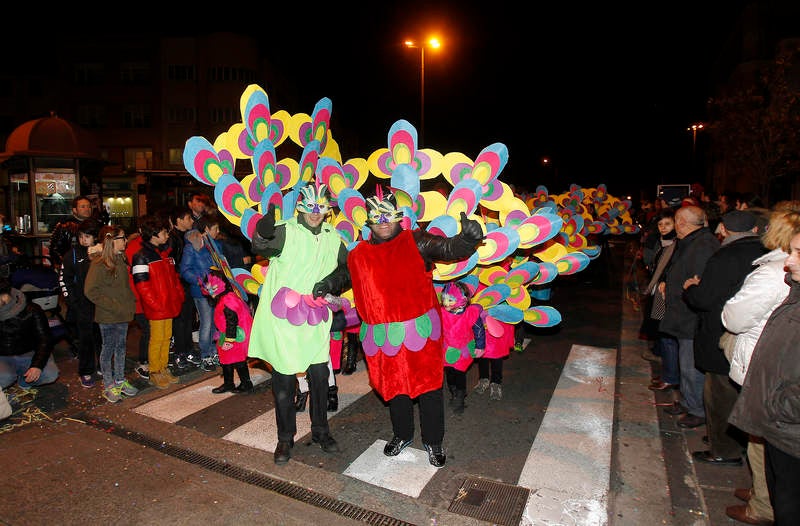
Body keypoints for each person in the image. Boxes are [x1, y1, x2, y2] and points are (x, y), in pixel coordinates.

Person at [346, 186, 483, 467]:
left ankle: (433, 441)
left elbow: (447, 249)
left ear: (399, 217)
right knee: (396, 388)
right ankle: (402, 435)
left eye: (388, 215)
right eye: (377, 216)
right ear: (368, 220)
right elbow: (341, 277)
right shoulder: (358, 254)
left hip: (419, 333)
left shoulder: (416, 240)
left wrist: (467, 240)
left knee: (429, 388)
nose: (383, 222)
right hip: (384, 337)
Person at [249, 181, 350, 465]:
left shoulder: (333, 237)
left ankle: (320, 431)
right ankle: (285, 439)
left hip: (315, 318)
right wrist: (263, 230)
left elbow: (347, 270)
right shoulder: (287, 231)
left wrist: (332, 282)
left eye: (321, 207)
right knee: (283, 382)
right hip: (284, 320)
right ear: (301, 207)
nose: (315, 212)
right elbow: (263, 245)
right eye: (310, 206)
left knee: (319, 378)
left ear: (328, 209)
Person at [721, 204, 800, 525]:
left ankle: (762, 504)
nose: (791, 261)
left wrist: (781, 405)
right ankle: (761, 493)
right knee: (764, 456)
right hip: (774, 391)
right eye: (793, 250)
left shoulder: (772, 273)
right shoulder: (791, 283)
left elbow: (736, 317)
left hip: (782, 407)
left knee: (785, 488)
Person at [682, 210, 767, 467]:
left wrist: (692, 288)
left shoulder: (725, 256)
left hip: (723, 332)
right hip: (755, 336)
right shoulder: (765, 253)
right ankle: (734, 441)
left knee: (719, 394)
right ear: (754, 230)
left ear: (724, 230)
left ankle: (723, 448)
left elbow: (705, 298)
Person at [658, 205, 719, 429]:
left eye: (675, 221)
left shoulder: (703, 245)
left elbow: (698, 281)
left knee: (690, 364)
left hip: (690, 316)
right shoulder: (694, 241)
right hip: (683, 313)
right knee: (685, 363)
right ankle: (686, 401)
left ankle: (697, 410)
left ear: (682, 222)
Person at [84, 225, 138, 403]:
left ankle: (120, 380)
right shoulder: (99, 263)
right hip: (108, 315)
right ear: (111, 241)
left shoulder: (120, 259)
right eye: (122, 238)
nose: (125, 241)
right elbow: (90, 291)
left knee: (121, 347)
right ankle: (108, 384)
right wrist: (113, 305)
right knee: (108, 349)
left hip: (122, 313)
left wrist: (129, 302)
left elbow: (124, 287)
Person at [132, 215, 185, 390]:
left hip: (168, 304)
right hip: (157, 306)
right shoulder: (141, 256)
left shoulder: (163, 254)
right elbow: (142, 285)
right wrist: (154, 303)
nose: (167, 235)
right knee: (157, 339)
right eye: (163, 232)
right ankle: (155, 371)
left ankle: (163, 367)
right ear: (154, 235)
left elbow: (174, 278)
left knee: (166, 338)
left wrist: (178, 295)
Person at [59, 218, 102, 388]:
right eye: (82, 236)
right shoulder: (72, 255)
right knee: (86, 340)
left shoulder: (99, 253)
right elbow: (64, 280)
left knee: (102, 338)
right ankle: (85, 371)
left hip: (100, 304)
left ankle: (102, 366)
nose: (84, 240)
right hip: (82, 305)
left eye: (88, 236)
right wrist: (73, 303)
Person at [642, 209, 679, 390]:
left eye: (668, 224)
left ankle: (671, 376)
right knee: (660, 328)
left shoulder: (678, 244)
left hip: (667, 292)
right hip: (658, 290)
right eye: (660, 224)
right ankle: (668, 371)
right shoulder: (660, 242)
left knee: (667, 333)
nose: (664, 228)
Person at [180, 214, 223, 372]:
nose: (218, 231)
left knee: (215, 322)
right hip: (201, 291)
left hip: (216, 290)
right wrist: (202, 281)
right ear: (206, 229)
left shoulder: (214, 245)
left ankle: (213, 351)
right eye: (215, 228)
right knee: (206, 323)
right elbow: (184, 270)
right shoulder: (192, 246)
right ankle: (205, 354)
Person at [199, 269, 253, 394]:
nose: (209, 292)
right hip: (229, 333)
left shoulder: (228, 299)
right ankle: (229, 383)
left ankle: (246, 384)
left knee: (238, 360)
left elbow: (232, 321)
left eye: (211, 288)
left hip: (236, 334)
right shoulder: (224, 297)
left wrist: (229, 339)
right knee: (226, 358)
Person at [0, 277, 59, 390]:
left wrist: (37, 365)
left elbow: (45, 339)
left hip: (28, 353)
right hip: (3, 356)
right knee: (4, 377)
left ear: (4, 296)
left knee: (50, 374)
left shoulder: (32, 309)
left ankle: (24, 382)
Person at [164, 205, 201, 370]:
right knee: (180, 320)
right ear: (179, 221)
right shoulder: (173, 238)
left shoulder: (188, 236)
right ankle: (180, 352)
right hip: (179, 285)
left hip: (188, 283)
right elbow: (170, 264)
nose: (191, 221)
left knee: (188, 318)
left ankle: (188, 349)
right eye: (188, 218)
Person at [440, 280, 485, 414]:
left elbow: (479, 330)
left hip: (463, 350)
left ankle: (460, 396)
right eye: (444, 298)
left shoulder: (470, 313)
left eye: (450, 299)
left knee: (460, 374)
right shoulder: (440, 312)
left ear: (463, 300)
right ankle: (453, 391)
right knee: (449, 373)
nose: (446, 302)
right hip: (446, 350)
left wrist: (480, 346)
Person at [125, 230, 151, 380]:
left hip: (144, 296)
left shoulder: (147, 246)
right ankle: (143, 361)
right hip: (137, 297)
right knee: (147, 329)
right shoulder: (135, 247)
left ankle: (146, 359)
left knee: (149, 329)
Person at [49, 195, 93, 266]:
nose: (87, 209)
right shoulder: (65, 226)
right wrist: (64, 265)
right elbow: (54, 250)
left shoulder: (95, 225)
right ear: (75, 210)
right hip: (71, 266)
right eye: (83, 207)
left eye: (89, 206)